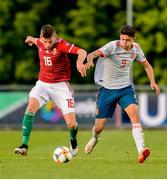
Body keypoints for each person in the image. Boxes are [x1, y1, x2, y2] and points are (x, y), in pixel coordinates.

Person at [84, 25, 160, 163]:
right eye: (122, 39)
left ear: (133, 39)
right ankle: (95, 137)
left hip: (125, 88)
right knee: (99, 127)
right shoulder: (112, 47)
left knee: (134, 115)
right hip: (106, 90)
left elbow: (147, 65)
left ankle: (141, 151)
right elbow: (92, 54)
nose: (124, 43)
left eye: (127, 40)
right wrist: (89, 60)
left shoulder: (136, 48)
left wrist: (152, 82)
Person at [14, 24, 87, 156]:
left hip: (61, 86)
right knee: (30, 108)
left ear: (56, 37)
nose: (47, 44)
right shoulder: (40, 41)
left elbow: (82, 52)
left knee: (71, 124)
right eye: (45, 41)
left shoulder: (61, 45)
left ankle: (73, 140)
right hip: (43, 84)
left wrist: (79, 63)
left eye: (50, 41)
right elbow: (33, 39)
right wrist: (30, 38)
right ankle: (24, 145)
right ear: (41, 38)